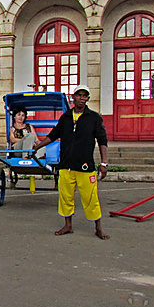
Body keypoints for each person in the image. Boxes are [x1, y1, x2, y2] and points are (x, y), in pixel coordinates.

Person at [32, 85, 110, 240]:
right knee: (65, 197)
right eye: (78, 95)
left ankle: (98, 228)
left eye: (85, 96)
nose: (81, 98)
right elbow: (53, 135)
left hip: (85, 166)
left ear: (88, 98)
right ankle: (68, 225)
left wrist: (104, 163)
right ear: (72, 97)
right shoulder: (66, 117)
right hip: (66, 165)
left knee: (91, 197)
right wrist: (38, 147)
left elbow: (102, 140)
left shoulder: (94, 118)